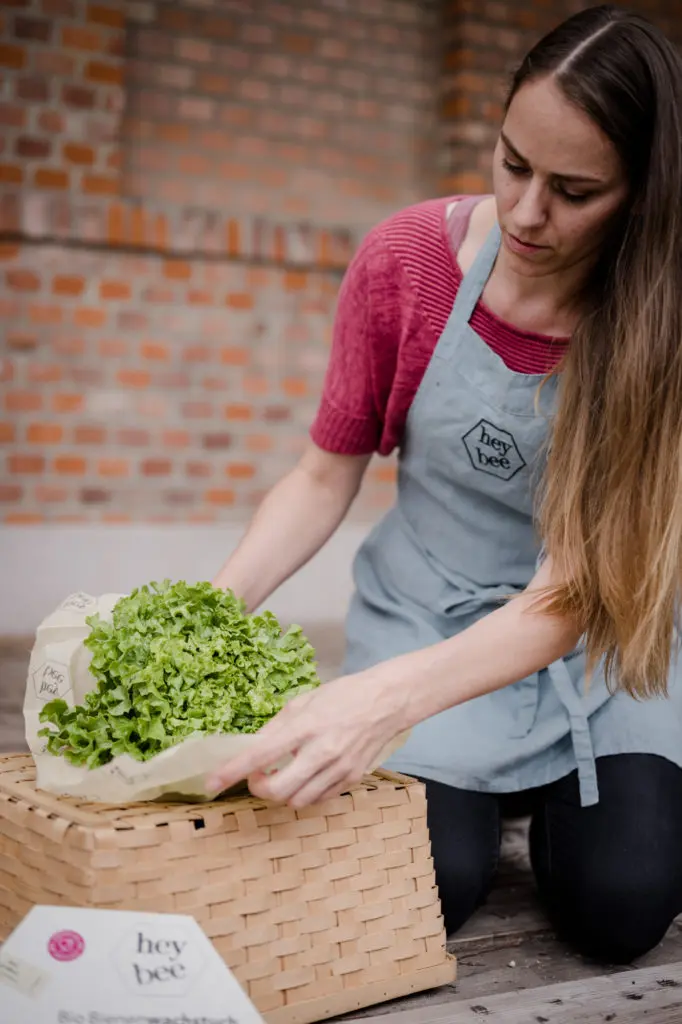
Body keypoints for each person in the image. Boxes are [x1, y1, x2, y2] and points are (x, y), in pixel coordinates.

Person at [207, 5, 682, 964]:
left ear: (643, 195)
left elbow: (571, 595)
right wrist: (210, 609)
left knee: (622, 906)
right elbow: (321, 473)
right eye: (512, 164)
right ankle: (479, 785)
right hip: (430, 621)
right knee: (423, 886)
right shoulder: (408, 260)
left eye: (575, 189)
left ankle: (551, 787)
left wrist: (379, 704)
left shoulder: (662, 329)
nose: (525, 213)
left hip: (594, 635)